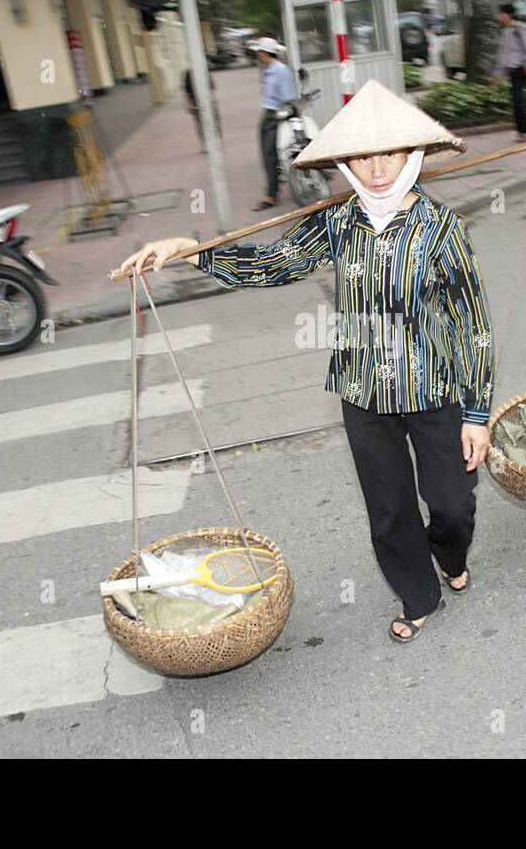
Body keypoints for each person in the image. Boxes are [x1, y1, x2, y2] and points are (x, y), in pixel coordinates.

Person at [117, 80, 494, 643]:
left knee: (452, 504)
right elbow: (272, 265)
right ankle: (419, 594)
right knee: (389, 510)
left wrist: (477, 413)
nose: (377, 168)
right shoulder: (336, 223)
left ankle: (448, 550)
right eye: (362, 157)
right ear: (346, 164)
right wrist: (189, 250)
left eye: (388, 153)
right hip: (363, 393)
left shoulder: (441, 228)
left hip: (434, 388)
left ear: (411, 155)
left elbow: (473, 323)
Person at [253, 36, 298, 212]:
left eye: (259, 52)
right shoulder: (269, 70)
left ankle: (271, 195)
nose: (257, 55)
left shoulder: (280, 71)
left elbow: (288, 98)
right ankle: (274, 189)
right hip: (269, 113)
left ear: (264, 53)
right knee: (266, 154)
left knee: (269, 154)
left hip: (277, 115)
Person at [491, 2, 526, 141]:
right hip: (512, 70)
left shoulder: (520, 28)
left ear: (508, 14)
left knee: (518, 100)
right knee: (517, 101)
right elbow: (504, 55)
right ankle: (523, 131)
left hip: (521, 69)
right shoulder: (506, 31)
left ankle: (525, 132)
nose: (499, 16)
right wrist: (498, 74)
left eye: (501, 14)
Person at [182, 67, 219, 153]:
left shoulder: (205, 70)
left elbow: (212, 86)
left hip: (209, 103)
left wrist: (213, 99)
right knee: (200, 125)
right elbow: (187, 91)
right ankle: (205, 144)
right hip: (196, 104)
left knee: (213, 122)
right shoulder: (188, 74)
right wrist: (188, 104)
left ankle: (216, 141)